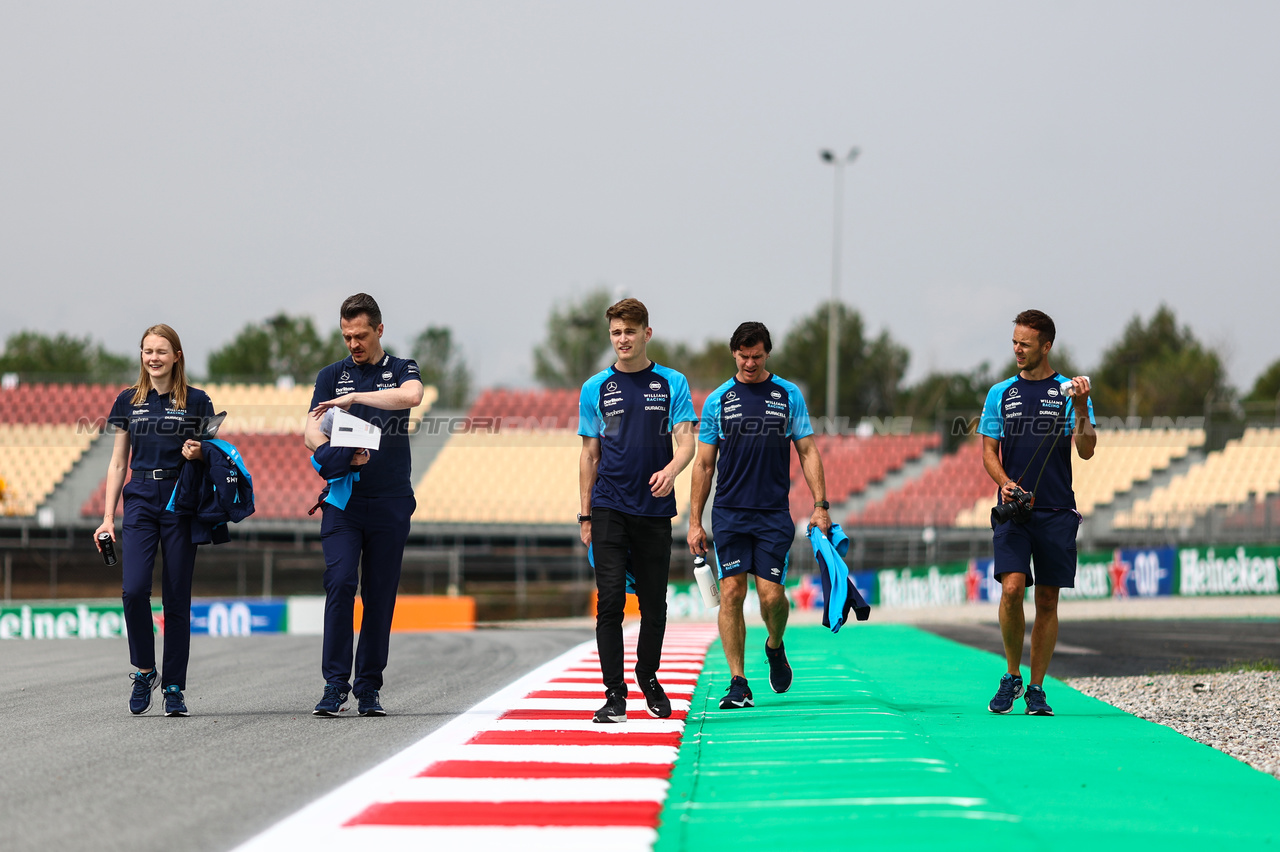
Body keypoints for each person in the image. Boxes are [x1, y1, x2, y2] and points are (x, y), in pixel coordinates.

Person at [687, 321, 830, 710]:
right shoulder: (718, 400)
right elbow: (703, 465)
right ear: (733, 353)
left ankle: (775, 644)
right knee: (731, 592)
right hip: (729, 514)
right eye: (743, 356)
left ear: (767, 353)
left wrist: (820, 506)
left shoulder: (788, 395)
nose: (750, 363)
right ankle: (738, 681)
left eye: (757, 356)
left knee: (771, 597)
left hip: (772, 515)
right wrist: (694, 521)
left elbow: (808, 451)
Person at [578, 298, 697, 723]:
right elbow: (589, 454)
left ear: (647, 333)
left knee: (654, 604)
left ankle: (648, 677)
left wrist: (671, 470)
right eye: (615, 333)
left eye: (630, 331)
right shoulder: (594, 388)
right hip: (609, 506)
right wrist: (585, 514)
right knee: (609, 601)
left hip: (654, 509)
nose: (622, 339)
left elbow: (687, 442)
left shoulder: (672, 382)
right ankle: (615, 695)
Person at [304, 293, 423, 717]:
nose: (353, 344)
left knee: (380, 595)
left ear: (379, 330)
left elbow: (411, 397)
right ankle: (334, 685)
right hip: (344, 501)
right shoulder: (330, 375)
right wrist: (333, 454)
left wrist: (355, 399)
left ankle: (368, 686)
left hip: (391, 500)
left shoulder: (402, 369)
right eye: (346, 336)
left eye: (360, 335)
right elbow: (310, 433)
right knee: (339, 583)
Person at [979, 309, 1095, 717]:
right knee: (1012, 589)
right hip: (1014, 511)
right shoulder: (999, 393)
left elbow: (1086, 449)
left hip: (1058, 510)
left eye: (1025, 344)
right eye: (1014, 342)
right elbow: (988, 452)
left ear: (1046, 346)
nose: (1017, 350)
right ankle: (1011, 674)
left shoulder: (1069, 391)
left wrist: (1081, 409)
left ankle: (1037, 688)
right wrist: (1005, 481)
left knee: (1047, 600)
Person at [95, 324, 215, 717]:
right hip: (141, 497)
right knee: (133, 590)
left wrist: (198, 453)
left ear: (177, 356)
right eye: (148, 351)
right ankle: (145, 670)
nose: (154, 358)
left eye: (162, 351)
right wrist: (107, 518)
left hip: (181, 499)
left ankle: (175, 687)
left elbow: (212, 455)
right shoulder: (128, 400)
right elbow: (117, 462)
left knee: (177, 597)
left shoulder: (198, 401)